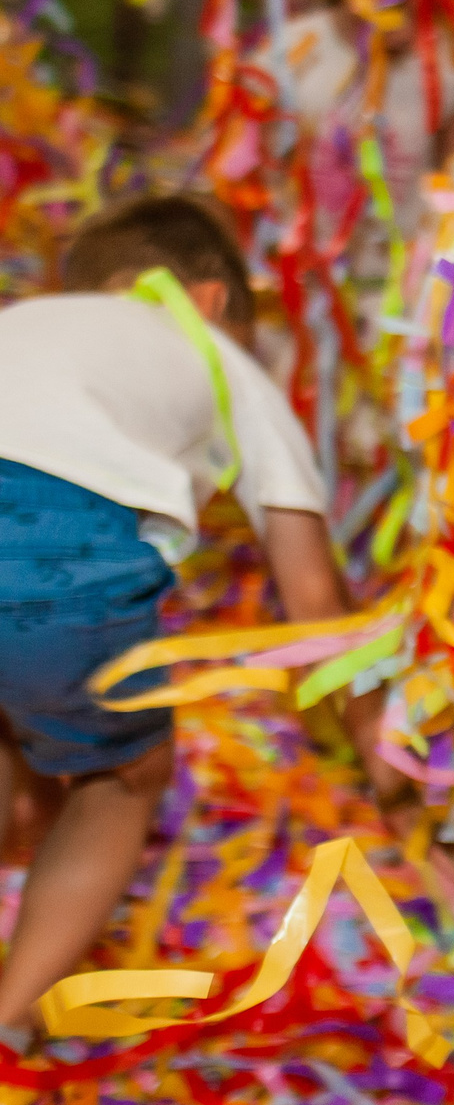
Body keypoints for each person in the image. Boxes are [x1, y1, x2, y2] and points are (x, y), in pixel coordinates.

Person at [0, 196, 391, 1041]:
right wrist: (382, 755)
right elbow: (316, 609)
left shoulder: (30, 322)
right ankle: (11, 1015)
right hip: (43, 535)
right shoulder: (221, 359)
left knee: (18, 734)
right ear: (212, 299)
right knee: (122, 781)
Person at [265, 0, 454, 274]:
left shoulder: (450, 73)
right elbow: (257, 181)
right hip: (298, 294)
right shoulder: (292, 52)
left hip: (400, 300)